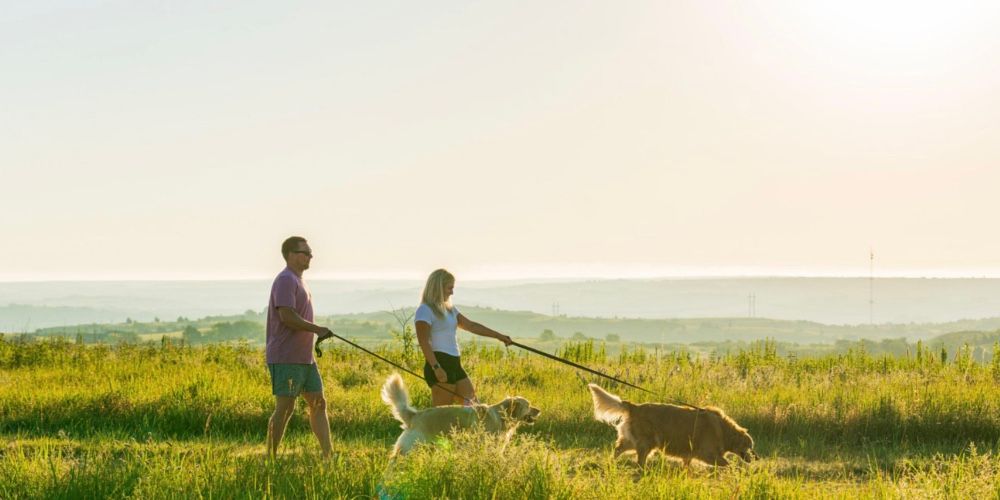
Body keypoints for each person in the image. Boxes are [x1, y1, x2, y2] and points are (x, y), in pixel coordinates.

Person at [265, 236, 334, 458]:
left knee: (318, 403)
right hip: (286, 356)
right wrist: (317, 329)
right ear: (291, 255)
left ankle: (328, 455)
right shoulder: (285, 280)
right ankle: (270, 457)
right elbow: (287, 316)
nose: (310, 257)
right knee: (285, 408)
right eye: (305, 253)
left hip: (305, 358)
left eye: (310, 253)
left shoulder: (298, 280)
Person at [416, 268, 513, 407]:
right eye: (449, 288)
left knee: (475, 409)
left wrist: (499, 336)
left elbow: (471, 326)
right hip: (439, 363)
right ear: (438, 287)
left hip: (455, 364)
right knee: (443, 414)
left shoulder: (449, 309)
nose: (452, 292)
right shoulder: (424, 310)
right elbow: (423, 342)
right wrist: (436, 367)